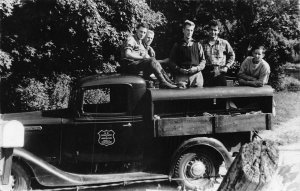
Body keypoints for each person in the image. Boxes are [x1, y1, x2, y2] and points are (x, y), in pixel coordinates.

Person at [120, 23, 177, 89]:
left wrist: (149, 48)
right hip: (129, 66)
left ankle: (169, 81)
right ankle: (163, 82)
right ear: (136, 30)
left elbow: (149, 58)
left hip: (137, 66)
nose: (142, 34)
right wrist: (143, 57)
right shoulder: (131, 39)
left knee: (154, 61)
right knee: (152, 59)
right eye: (141, 31)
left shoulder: (140, 42)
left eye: (144, 32)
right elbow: (127, 54)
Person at [169, 20, 206, 88]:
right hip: (181, 77)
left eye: (191, 30)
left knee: (198, 97)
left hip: (196, 77)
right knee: (181, 97)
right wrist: (179, 69)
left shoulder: (198, 44)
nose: (190, 32)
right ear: (183, 30)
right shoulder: (177, 45)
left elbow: (203, 61)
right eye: (188, 30)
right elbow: (171, 61)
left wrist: (197, 68)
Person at [202, 20, 235, 87]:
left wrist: (227, 66)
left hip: (220, 72)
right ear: (208, 30)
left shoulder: (224, 43)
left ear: (218, 31)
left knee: (221, 95)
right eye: (211, 30)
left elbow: (232, 55)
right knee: (207, 95)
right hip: (206, 73)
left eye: (215, 30)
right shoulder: (202, 44)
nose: (213, 32)